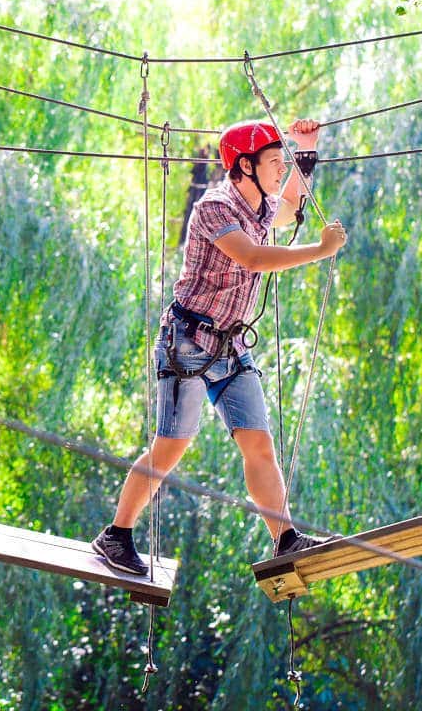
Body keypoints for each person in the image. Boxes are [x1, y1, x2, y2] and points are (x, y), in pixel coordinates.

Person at [92, 119, 347, 575]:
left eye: (283, 162)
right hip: (187, 345)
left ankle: (286, 540)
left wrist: (306, 149)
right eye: (274, 162)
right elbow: (254, 257)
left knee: (259, 444)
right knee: (169, 448)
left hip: (230, 348)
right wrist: (320, 250)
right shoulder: (215, 207)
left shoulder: (261, 205)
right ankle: (116, 535)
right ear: (245, 166)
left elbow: (291, 204)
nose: (281, 169)